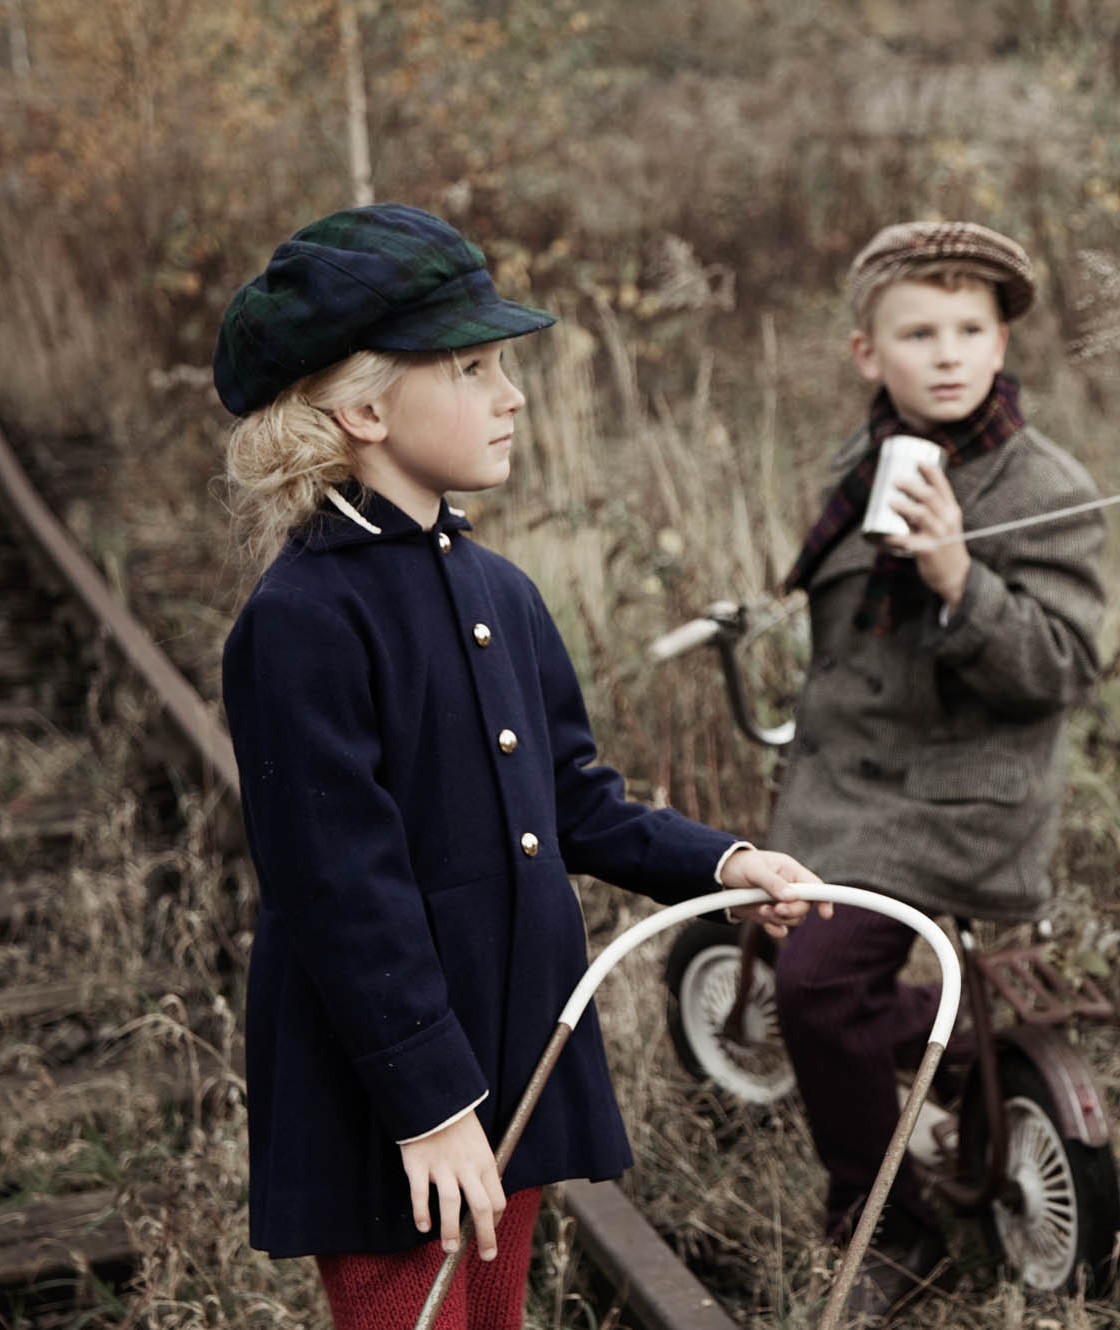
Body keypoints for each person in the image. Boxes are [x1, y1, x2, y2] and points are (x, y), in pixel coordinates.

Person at [213, 203, 827, 1329]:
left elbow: (574, 801)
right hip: (392, 1090)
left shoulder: (498, 591)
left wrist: (725, 864)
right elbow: (339, 885)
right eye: (474, 367)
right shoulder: (304, 616)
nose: (514, 393)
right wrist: (430, 1104)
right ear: (361, 406)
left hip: (509, 1048)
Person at [768, 220, 1107, 1324]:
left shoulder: (1039, 484)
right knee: (771, 923)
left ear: (1004, 342)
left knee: (816, 984)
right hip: (855, 788)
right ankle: (957, 1041)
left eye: (972, 328)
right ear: (868, 353)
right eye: (918, 332)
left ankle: (891, 1229)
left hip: (962, 800)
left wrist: (963, 581)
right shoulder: (859, 465)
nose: (948, 354)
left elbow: (1060, 666)